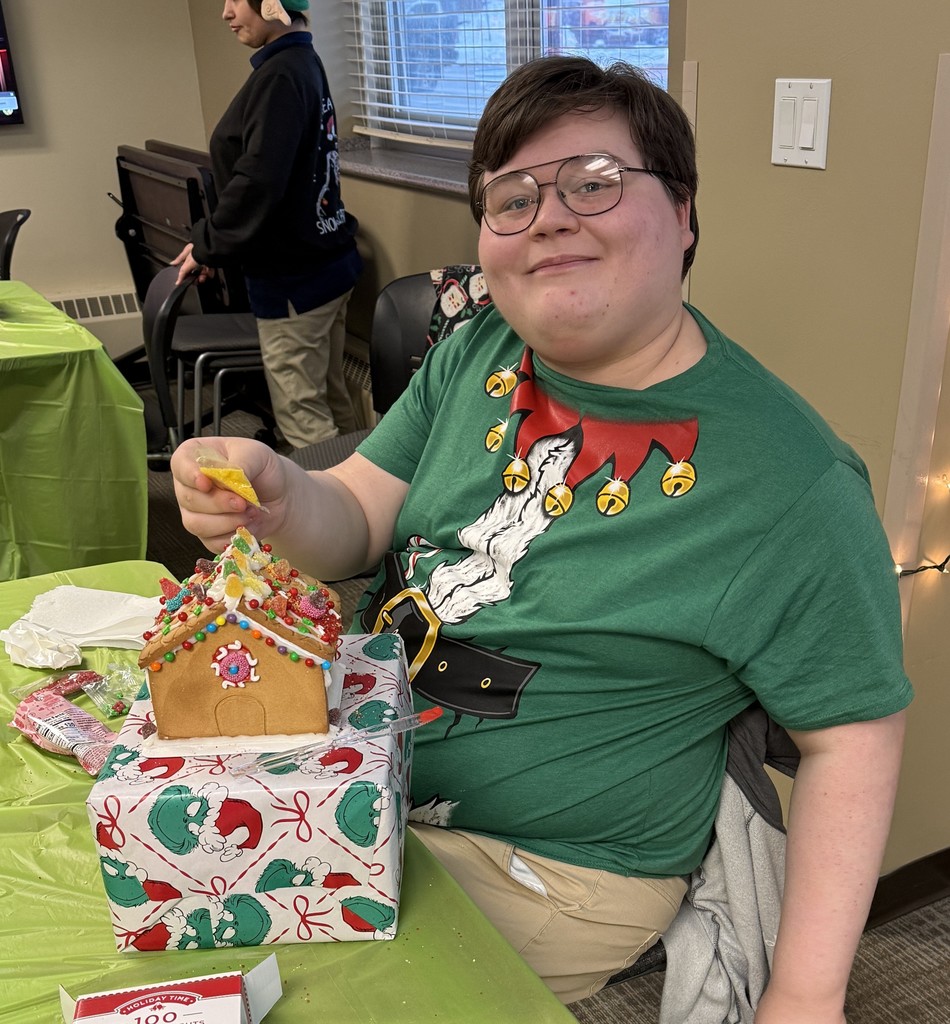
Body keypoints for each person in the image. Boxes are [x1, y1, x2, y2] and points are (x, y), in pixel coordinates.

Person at [170, 56, 912, 1019]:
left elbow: (851, 736)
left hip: (553, 872)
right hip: (361, 774)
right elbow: (351, 518)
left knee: (297, 1004)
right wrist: (276, 499)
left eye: (594, 183)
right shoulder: (476, 350)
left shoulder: (793, 480)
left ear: (683, 215)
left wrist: (806, 996)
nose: (549, 216)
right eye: (510, 198)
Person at [173, 0, 361, 449]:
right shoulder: (300, 62)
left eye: (236, 0)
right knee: (331, 401)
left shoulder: (281, 74)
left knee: (302, 417)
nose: (225, 13)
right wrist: (212, 246)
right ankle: (369, 504)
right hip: (326, 264)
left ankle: (339, 517)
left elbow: (257, 180)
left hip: (296, 279)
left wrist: (207, 245)